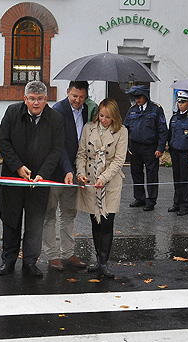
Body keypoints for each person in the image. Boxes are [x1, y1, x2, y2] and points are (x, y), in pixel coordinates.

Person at [0, 80, 64, 278]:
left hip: (39, 182)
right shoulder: (12, 113)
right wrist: (18, 166)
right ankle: (8, 261)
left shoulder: (56, 119)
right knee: (11, 221)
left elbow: (56, 150)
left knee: (34, 224)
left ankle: (30, 263)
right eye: (32, 99)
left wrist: (43, 173)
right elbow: (3, 141)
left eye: (40, 99)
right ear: (24, 99)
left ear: (46, 99)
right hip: (13, 178)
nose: (36, 103)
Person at [43, 81, 96, 271]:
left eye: (82, 97)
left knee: (68, 213)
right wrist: (67, 170)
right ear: (67, 92)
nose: (78, 100)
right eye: (74, 96)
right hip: (56, 172)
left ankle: (68, 253)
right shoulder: (57, 111)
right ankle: (52, 255)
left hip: (74, 172)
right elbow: (59, 146)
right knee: (49, 214)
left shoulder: (86, 110)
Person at [76, 98, 128, 279]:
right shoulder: (88, 128)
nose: (104, 120)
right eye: (101, 115)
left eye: (108, 117)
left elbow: (119, 160)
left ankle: (104, 262)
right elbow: (81, 154)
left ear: (114, 117)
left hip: (110, 182)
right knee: (94, 221)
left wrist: (104, 177)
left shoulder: (122, 131)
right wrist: (80, 173)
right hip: (90, 179)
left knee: (107, 222)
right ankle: (98, 259)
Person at [124, 85, 168, 211]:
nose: (137, 100)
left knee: (152, 174)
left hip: (150, 146)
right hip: (136, 146)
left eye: (139, 97)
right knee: (136, 172)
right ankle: (140, 198)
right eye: (135, 97)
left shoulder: (156, 109)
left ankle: (151, 200)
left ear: (146, 96)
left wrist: (160, 148)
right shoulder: (132, 110)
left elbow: (163, 130)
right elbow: (124, 127)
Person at [167, 91, 188, 216]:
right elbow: (170, 134)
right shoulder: (175, 118)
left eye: (183, 102)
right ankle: (176, 203)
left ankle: (185, 206)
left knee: (185, 180)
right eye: (179, 102)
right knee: (177, 179)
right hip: (176, 152)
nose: (180, 104)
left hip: (187, 153)